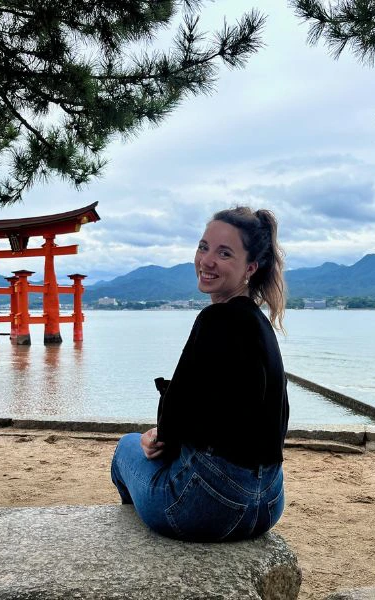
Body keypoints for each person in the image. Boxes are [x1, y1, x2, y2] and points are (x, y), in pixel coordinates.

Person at [110, 206, 290, 542]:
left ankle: (140, 548)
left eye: (224, 253)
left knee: (126, 448)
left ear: (250, 267)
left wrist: (154, 436)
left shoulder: (215, 320)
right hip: (268, 503)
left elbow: (171, 421)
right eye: (203, 247)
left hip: (209, 506)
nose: (206, 261)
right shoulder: (261, 326)